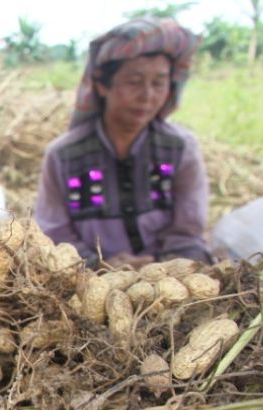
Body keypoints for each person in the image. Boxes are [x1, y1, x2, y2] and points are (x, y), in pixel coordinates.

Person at [35, 18, 211, 266]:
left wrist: (157, 266)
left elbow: (188, 233)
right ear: (102, 85)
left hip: (168, 276)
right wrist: (101, 266)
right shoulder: (63, 155)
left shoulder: (181, 149)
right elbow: (54, 233)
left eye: (159, 83)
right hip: (88, 277)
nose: (147, 96)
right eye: (134, 82)